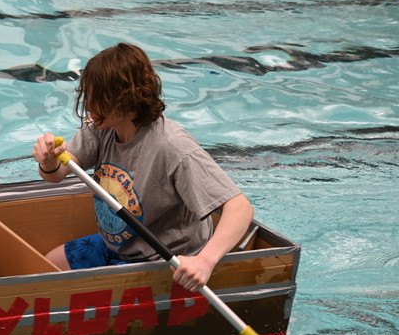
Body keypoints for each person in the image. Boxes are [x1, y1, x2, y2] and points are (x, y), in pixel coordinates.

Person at [32, 42, 253, 293]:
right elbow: (58, 173)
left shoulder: (172, 147)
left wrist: (205, 261)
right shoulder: (102, 127)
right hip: (120, 246)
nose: (89, 106)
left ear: (125, 98)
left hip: (166, 261)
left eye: (97, 98)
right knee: (47, 268)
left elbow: (239, 207)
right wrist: (48, 162)